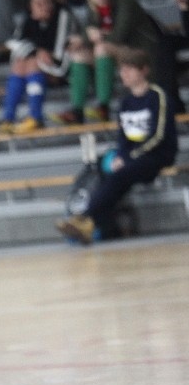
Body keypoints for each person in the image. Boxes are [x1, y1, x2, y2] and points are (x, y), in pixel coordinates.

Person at [55, 46, 177, 244]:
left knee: (119, 175)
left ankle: (84, 218)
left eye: (129, 70)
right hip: (132, 156)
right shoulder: (126, 102)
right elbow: (123, 137)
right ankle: (99, 226)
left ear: (143, 70)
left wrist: (128, 157)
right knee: (105, 170)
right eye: (122, 70)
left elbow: (158, 136)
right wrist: (121, 155)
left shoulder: (158, 97)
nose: (124, 74)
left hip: (156, 155)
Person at [52, 0, 164, 124]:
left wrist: (95, 36)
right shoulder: (94, 7)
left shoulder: (126, 3)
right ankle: (77, 111)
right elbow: (89, 30)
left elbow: (119, 35)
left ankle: (103, 107)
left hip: (139, 50)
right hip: (114, 51)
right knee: (79, 55)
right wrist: (82, 39)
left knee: (101, 49)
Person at [0, 0, 79, 133]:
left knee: (32, 64)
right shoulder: (28, 17)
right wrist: (37, 49)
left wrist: (38, 51)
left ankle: (35, 117)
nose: (44, 7)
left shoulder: (63, 14)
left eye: (46, 3)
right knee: (19, 64)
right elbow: (16, 43)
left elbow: (59, 52)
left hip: (63, 68)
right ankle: (8, 119)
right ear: (31, 6)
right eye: (38, 4)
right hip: (39, 68)